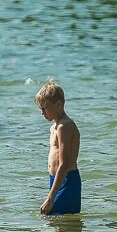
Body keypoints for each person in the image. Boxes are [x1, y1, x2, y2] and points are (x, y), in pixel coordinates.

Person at [35, 80, 81, 215]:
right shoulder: (54, 127)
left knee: (60, 226)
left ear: (59, 105)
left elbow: (64, 164)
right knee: (55, 225)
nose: (42, 112)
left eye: (45, 108)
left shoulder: (64, 126)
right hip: (56, 180)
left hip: (67, 181)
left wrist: (50, 198)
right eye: (40, 108)